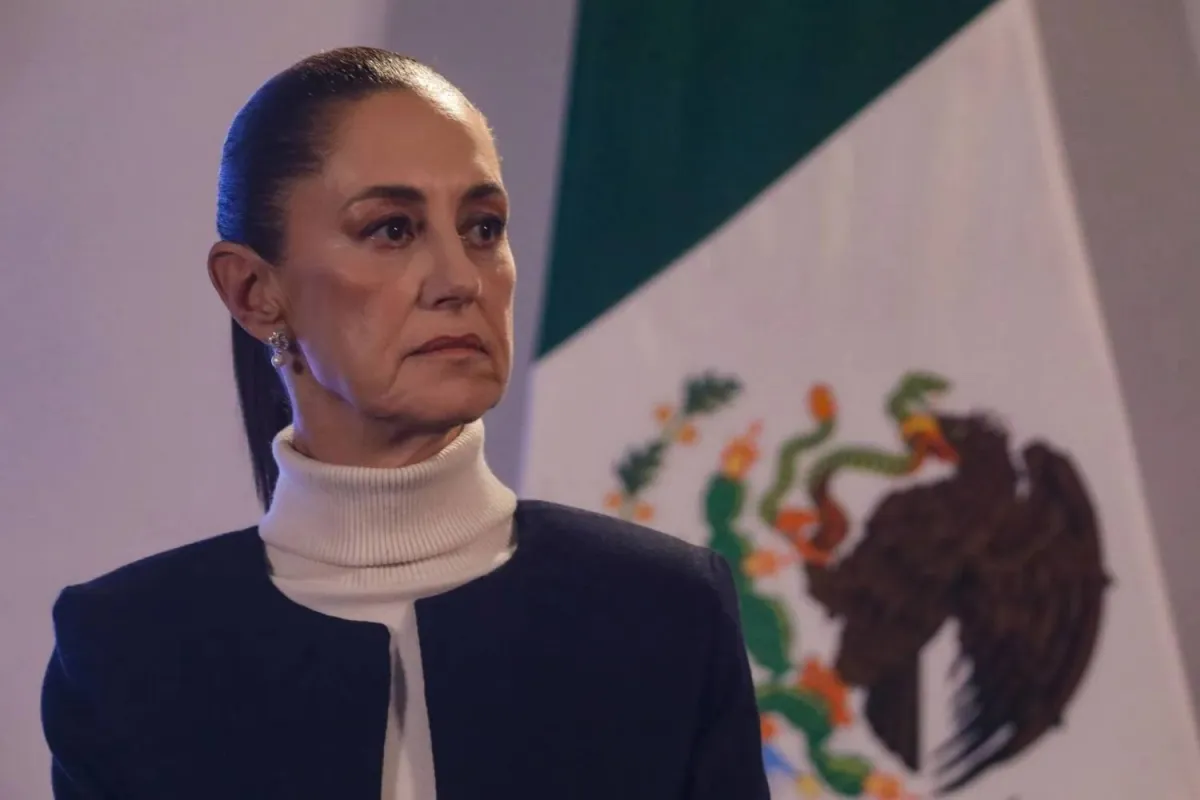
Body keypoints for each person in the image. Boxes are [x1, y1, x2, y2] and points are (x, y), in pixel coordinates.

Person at [40, 47, 769, 800]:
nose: (460, 279)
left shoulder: (666, 611)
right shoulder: (124, 651)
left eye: (482, 227)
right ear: (253, 290)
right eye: (392, 229)